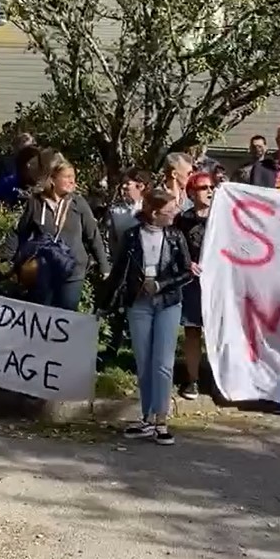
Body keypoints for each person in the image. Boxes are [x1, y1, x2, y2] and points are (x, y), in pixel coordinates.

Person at [106, 188, 194, 446]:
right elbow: (119, 271)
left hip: (167, 303)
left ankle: (161, 419)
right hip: (139, 303)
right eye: (169, 211)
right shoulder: (132, 236)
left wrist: (161, 284)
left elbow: (186, 272)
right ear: (155, 213)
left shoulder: (176, 236)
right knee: (144, 361)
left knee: (163, 363)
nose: (174, 214)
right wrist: (105, 303)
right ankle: (146, 417)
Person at [0, 157, 110, 311]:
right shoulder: (36, 202)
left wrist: (104, 266)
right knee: (42, 313)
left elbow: (93, 235)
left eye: (73, 177)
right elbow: (20, 231)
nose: (72, 181)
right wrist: (1, 256)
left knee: (66, 315)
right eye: (67, 177)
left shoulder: (78, 203)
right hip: (43, 269)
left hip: (72, 270)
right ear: (53, 179)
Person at [174, 172, 214, 400]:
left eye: (211, 187)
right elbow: (176, 248)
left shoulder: (222, 217)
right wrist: (187, 263)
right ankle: (192, 379)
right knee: (192, 331)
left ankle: (220, 379)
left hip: (218, 283)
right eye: (202, 187)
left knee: (219, 331)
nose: (209, 191)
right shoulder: (183, 219)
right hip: (192, 284)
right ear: (191, 192)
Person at [106, 168, 151, 257]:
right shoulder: (115, 212)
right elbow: (112, 241)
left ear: (141, 186)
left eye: (127, 183)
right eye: (122, 183)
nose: (123, 187)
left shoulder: (152, 208)